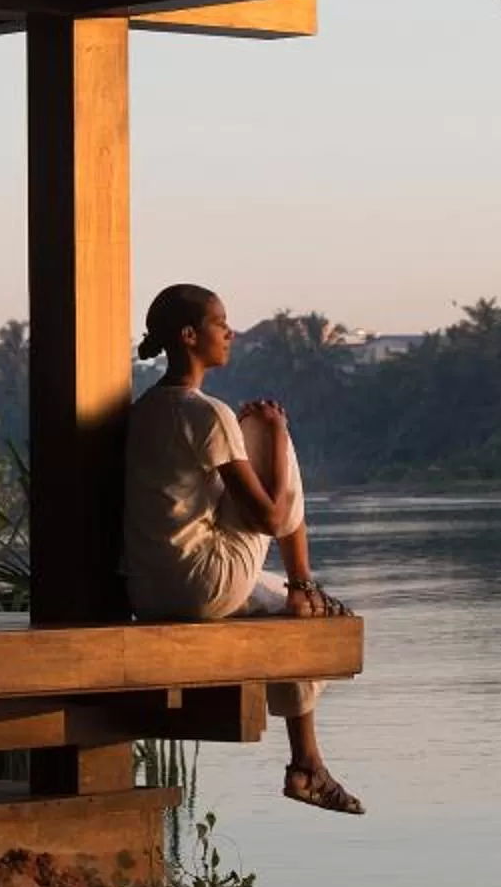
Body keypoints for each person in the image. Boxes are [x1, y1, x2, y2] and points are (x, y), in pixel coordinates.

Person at [121, 282, 363, 815]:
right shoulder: (209, 414)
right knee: (269, 427)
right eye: (219, 322)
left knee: (285, 610)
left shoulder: (143, 410)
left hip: (151, 590)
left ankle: (309, 766)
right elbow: (271, 518)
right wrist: (274, 432)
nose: (229, 332)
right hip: (202, 585)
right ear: (189, 336)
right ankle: (304, 584)